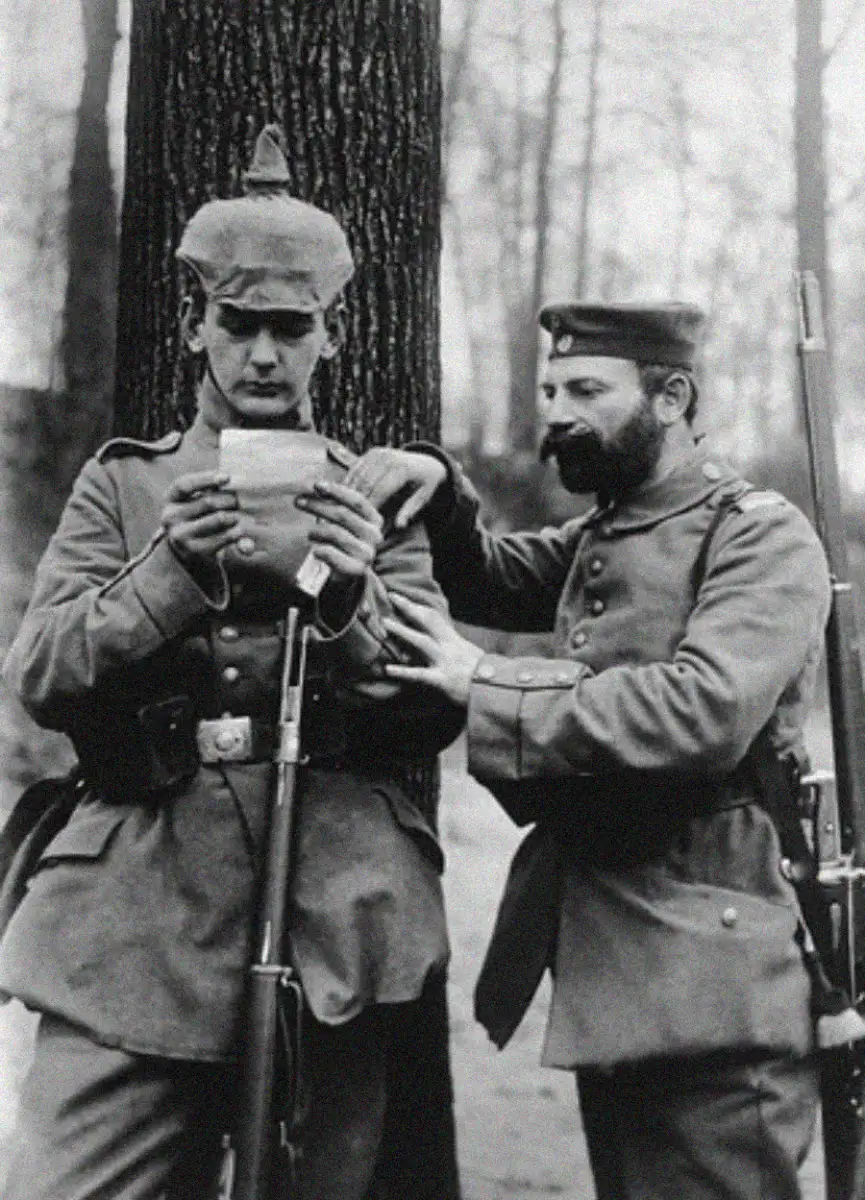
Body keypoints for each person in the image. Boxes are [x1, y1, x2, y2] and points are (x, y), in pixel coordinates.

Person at [0, 124, 461, 1200]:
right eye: (239, 325)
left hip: (332, 912)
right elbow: (43, 670)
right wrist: (166, 574)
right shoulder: (124, 487)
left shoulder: (379, 499)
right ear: (196, 328)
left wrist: (350, 596)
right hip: (137, 915)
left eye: (290, 329)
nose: (263, 354)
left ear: (331, 337)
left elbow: (432, 707)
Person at [340, 301, 832, 1200]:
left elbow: (705, 708)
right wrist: (436, 486)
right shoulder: (607, 530)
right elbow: (489, 572)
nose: (556, 411)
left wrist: (485, 681)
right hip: (622, 969)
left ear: (672, 395)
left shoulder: (755, 534)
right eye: (547, 389)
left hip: (712, 976)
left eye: (585, 389)